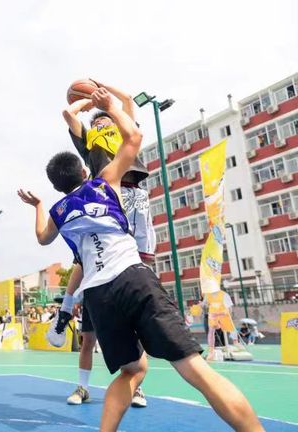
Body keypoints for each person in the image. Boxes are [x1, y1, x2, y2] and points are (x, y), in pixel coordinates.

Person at [18, 87, 262, 431]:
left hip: (98, 295)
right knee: (195, 369)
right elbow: (134, 136)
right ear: (84, 171)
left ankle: (65, 313)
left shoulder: (58, 210)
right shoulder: (105, 182)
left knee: (132, 370)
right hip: (131, 277)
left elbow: (42, 238)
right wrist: (110, 105)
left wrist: (39, 205)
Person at [51, 80, 154, 407]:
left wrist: (100, 88)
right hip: (107, 197)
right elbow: (68, 113)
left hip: (135, 195)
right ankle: (66, 310)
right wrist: (85, 100)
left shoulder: (122, 129)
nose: (101, 123)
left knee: (139, 264)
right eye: (97, 121)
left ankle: (136, 384)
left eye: (105, 118)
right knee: (85, 255)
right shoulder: (90, 141)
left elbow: (126, 100)